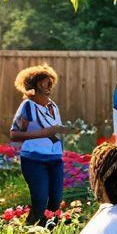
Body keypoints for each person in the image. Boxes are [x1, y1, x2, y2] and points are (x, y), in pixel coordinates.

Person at [9, 65, 76, 225]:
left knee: (55, 202)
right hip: (34, 160)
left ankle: (46, 233)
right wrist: (42, 133)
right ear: (36, 85)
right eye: (45, 83)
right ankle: (28, 232)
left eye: (50, 83)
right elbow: (14, 134)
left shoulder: (53, 106)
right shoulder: (28, 106)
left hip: (55, 160)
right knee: (39, 202)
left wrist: (67, 130)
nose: (49, 87)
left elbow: (53, 131)